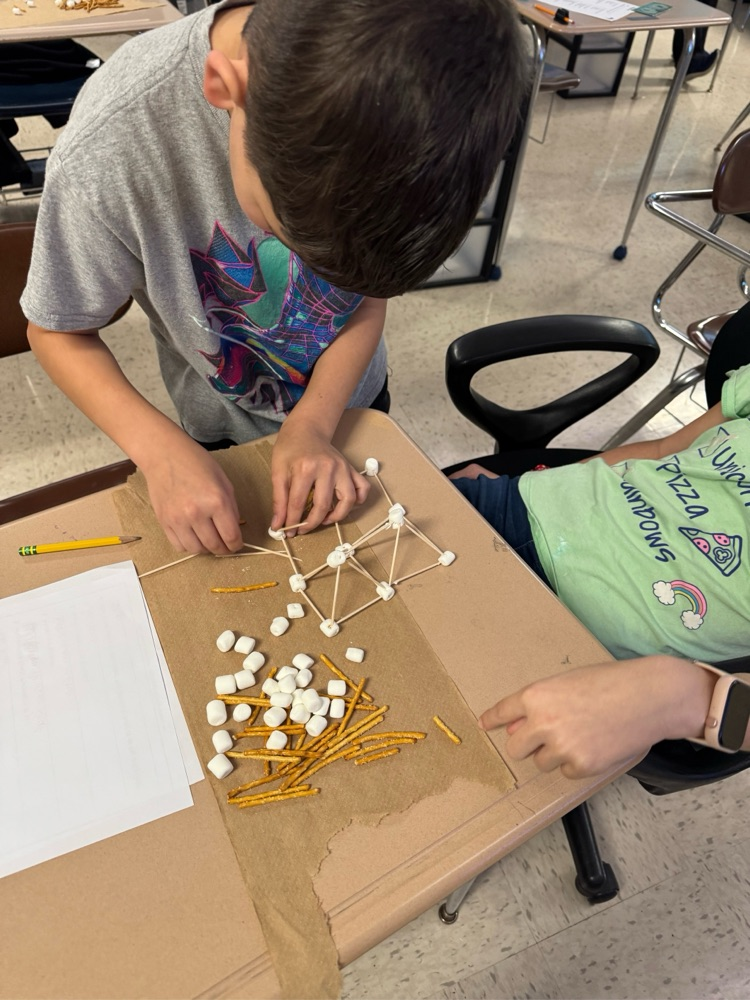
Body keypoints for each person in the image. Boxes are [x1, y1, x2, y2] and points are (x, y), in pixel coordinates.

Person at [21, 0, 528, 556]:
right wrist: (160, 453)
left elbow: (363, 301)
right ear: (222, 87)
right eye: (278, 228)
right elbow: (57, 332)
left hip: (348, 407)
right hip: (213, 421)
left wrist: (313, 423)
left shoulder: (429, 122)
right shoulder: (109, 149)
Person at [449, 363, 750, 778]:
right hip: (526, 508)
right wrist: (534, 479)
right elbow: (664, 450)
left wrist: (689, 699)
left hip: (587, 635)